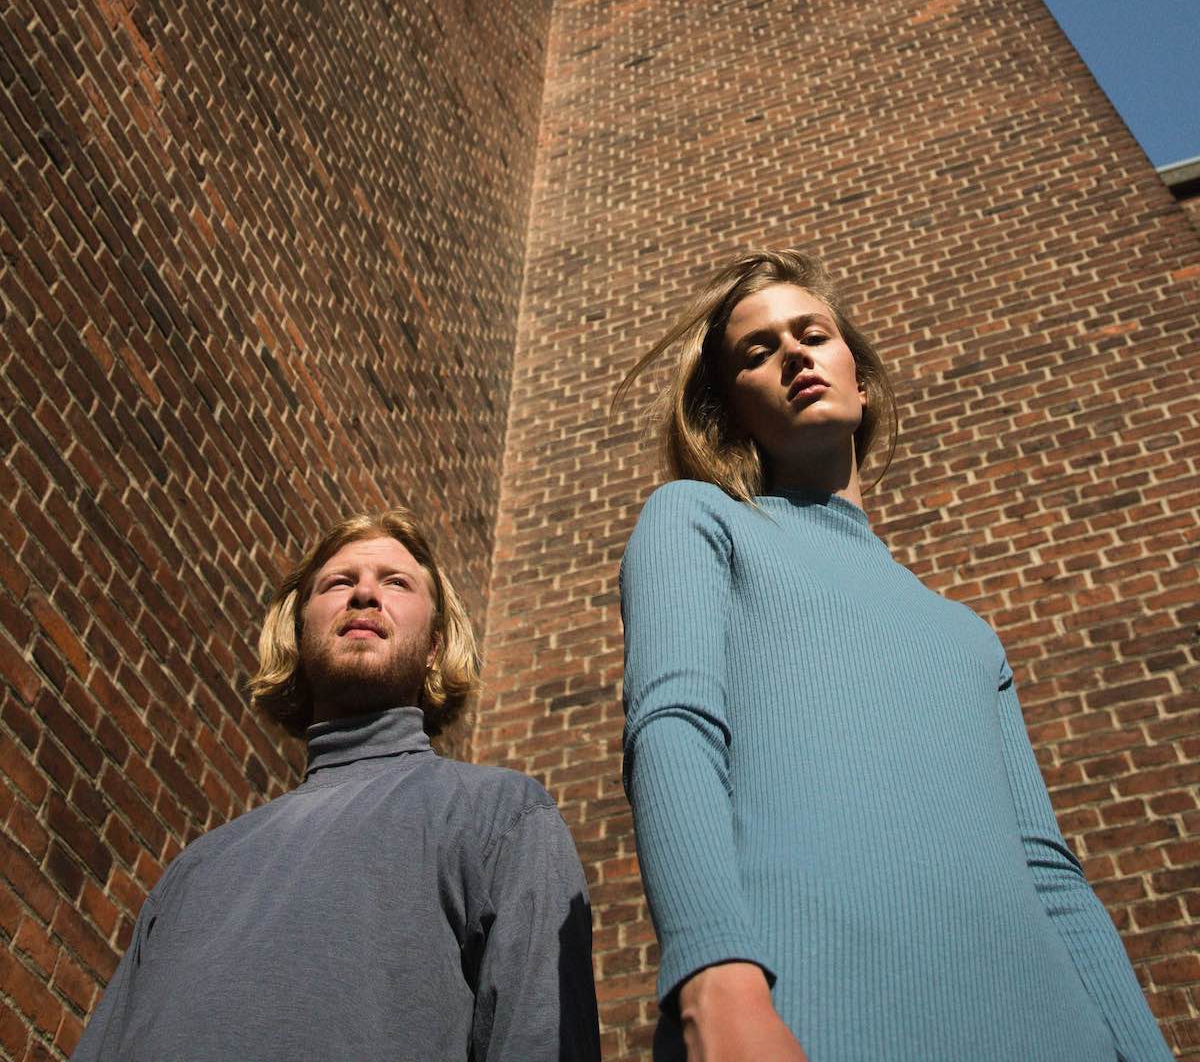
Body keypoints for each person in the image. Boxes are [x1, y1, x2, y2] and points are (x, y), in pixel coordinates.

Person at [618, 250, 1173, 1062]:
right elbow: (672, 728)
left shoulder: (967, 634)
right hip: (804, 1015)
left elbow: (1048, 869)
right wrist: (713, 980)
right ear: (730, 411)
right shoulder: (698, 521)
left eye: (813, 334)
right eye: (758, 351)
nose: (794, 353)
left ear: (864, 382)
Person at [74, 507, 601, 1062]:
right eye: (339, 582)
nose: (365, 594)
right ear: (299, 633)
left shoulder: (500, 816)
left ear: (434, 646)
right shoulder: (194, 869)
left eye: (396, 583)